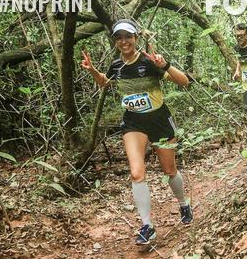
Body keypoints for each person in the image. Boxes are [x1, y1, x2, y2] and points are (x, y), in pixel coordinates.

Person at [81, 19, 193, 246]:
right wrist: (93, 70)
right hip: (133, 123)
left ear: (136, 39)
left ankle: (183, 203)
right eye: (119, 38)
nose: (124, 42)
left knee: (169, 169)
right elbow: (105, 82)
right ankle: (147, 226)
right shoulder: (116, 66)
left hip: (159, 120)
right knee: (136, 173)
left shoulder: (149, 61)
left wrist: (164, 65)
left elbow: (185, 82)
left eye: (128, 37)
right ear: (115, 42)